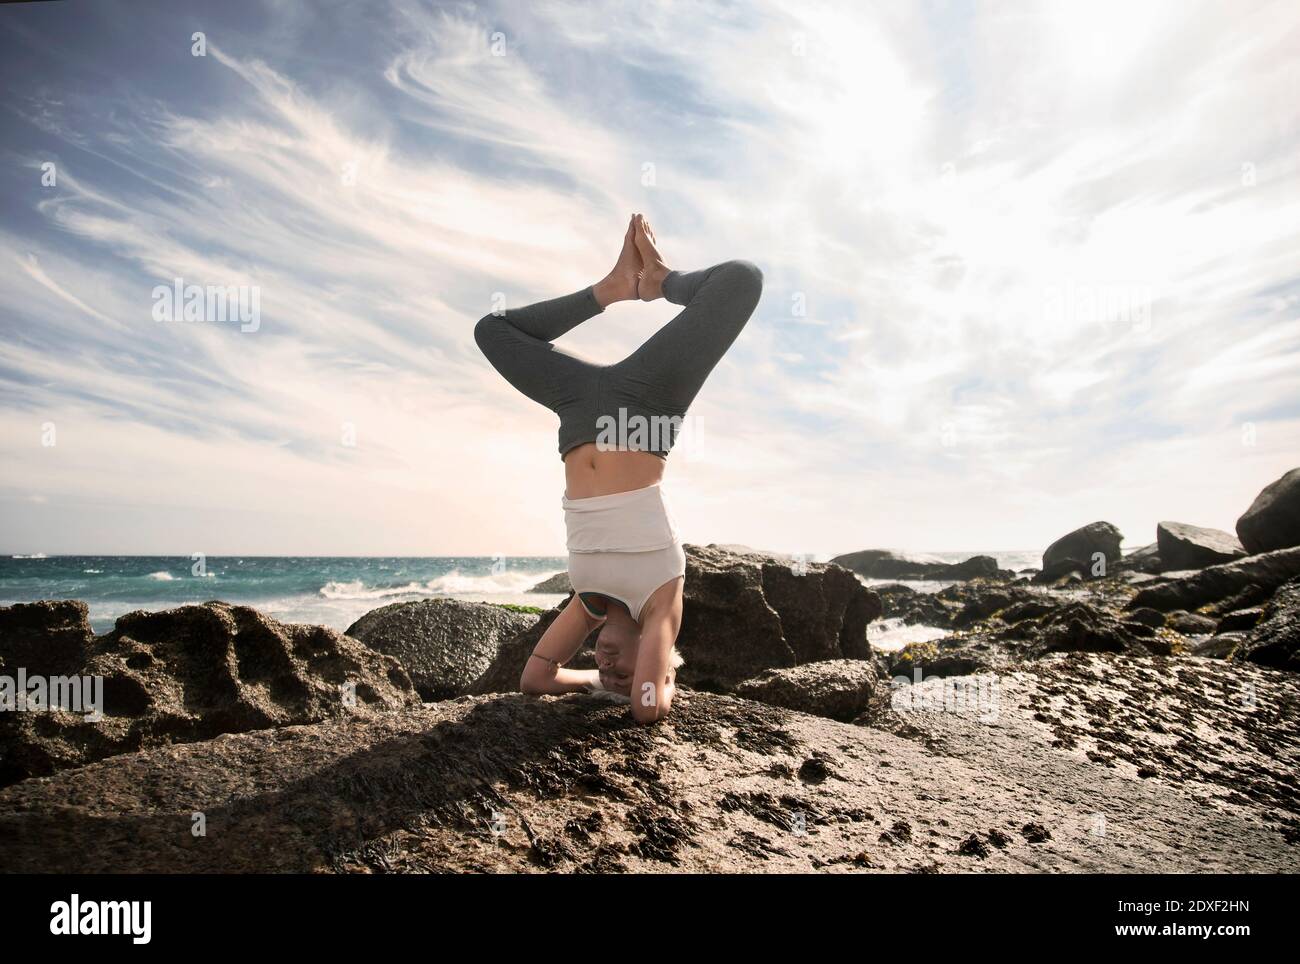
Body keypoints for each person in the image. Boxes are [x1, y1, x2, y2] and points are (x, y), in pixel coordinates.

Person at [474, 214, 762, 723]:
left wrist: (592, 684)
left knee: (492, 331)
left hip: (577, 405)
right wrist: (656, 685)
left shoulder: (590, 603)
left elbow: (536, 679)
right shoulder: (660, 604)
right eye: (624, 673)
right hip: (646, 410)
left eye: (606, 673)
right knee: (741, 279)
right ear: (657, 656)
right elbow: (648, 711)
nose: (607, 666)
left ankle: (608, 289)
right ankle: (658, 281)